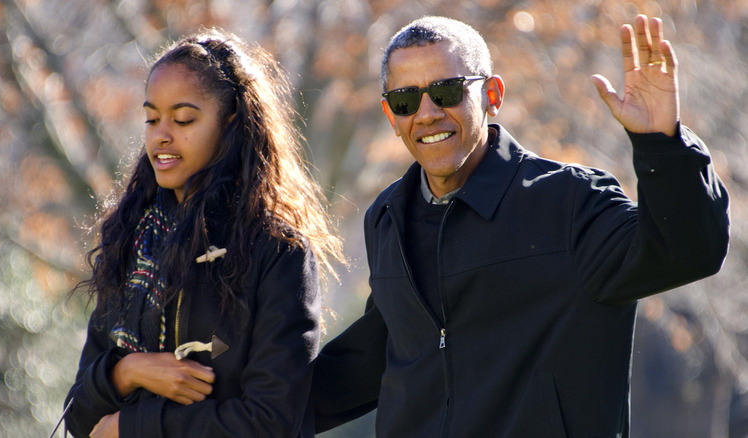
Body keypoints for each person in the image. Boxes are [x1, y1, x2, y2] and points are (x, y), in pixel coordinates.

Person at [310, 14, 730, 437]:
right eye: (405, 100)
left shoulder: (568, 202)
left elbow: (688, 250)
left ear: (491, 94)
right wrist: (257, 405)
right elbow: (377, 354)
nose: (427, 113)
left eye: (447, 91)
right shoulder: (388, 217)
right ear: (389, 114)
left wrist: (663, 145)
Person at [62, 28, 343, 438]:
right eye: (152, 118)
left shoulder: (278, 251)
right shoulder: (132, 241)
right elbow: (78, 415)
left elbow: (271, 421)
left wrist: (136, 426)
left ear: (232, 124)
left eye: (183, 119)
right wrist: (127, 371)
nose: (161, 135)